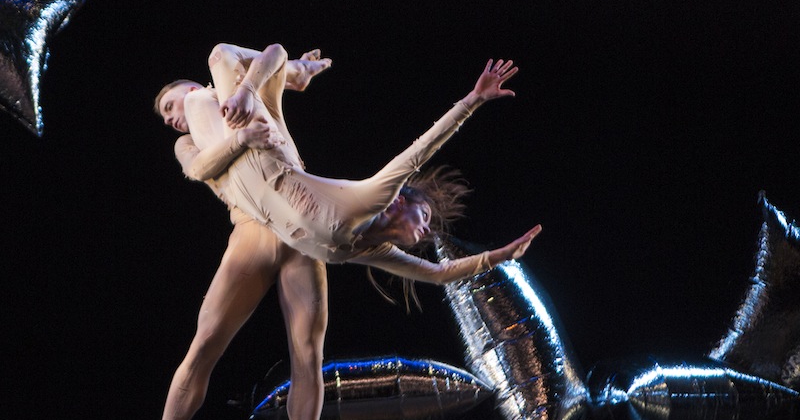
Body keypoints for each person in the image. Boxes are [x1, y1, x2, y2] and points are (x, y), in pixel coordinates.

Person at [160, 42, 541, 291]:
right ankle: (290, 72)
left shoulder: (369, 251)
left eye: (425, 223)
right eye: (423, 215)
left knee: (221, 100)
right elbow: (419, 152)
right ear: (397, 203)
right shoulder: (368, 200)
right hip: (262, 151)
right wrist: (473, 100)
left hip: (247, 178)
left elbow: (439, 275)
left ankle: (289, 75)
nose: (427, 229)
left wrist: (500, 256)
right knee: (220, 59)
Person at [127, 50, 336, 420]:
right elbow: (199, 169)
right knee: (205, 344)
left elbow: (271, 58)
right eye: (167, 118)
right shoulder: (189, 142)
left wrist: (297, 71)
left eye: (170, 106)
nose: (171, 119)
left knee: (307, 350)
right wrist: (241, 140)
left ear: (192, 88)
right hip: (251, 233)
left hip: (300, 228)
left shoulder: (235, 95)